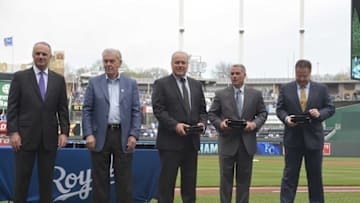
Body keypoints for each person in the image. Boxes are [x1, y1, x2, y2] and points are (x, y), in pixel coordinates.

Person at [7, 41, 70, 203]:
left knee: (47, 183)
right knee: (21, 182)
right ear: (33, 55)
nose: (41, 57)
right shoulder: (20, 77)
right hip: (23, 139)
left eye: (44, 54)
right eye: (38, 53)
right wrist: (13, 132)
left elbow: (63, 109)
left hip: (48, 139)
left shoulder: (58, 80)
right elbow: (12, 107)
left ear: (50, 57)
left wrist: (64, 132)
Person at [82, 48, 141, 203]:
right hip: (100, 136)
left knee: (124, 181)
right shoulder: (94, 83)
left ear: (119, 63)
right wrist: (88, 134)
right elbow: (87, 110)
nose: (108, 64)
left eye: (112, 61)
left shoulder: (131, 83)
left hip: (123, 135)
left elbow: (136, 111)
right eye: (105, 61)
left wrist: (134, 135)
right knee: (100, 182)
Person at [152, 51, 208, 203]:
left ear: (187, 65)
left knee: (189, 186)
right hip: (170, 143)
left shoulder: (196, 85)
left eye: (183, 62)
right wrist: (175, 125)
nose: (180, 65)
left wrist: (203, 124)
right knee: (166, 185)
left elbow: (203, 111)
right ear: (171, 64)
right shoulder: (161, 83)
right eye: (177, 62)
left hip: (191, 142)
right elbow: (158, 110)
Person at [276, 59, 335, 203]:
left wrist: (319, 113)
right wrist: (286, 119)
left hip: (313, 140)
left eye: (305, 76)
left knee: (315, 177)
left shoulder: (321, 89)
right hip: (292, 139)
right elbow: (280, 109)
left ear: (310, 73)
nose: (301, 79)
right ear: (295, 72)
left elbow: (330, 108)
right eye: (299, 76)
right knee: (290, 176)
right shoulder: (286, 88)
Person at [208, 64, 267, 203]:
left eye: (237, 73)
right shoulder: (221, 94)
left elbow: (263, 113)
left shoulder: (255, 94)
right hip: (227, 142)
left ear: (244, 75)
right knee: (225, 182)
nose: (234, 76)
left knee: (244, 182)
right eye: (232, 73)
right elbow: (212, 114)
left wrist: (254, 124)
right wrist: (220, 124)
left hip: (247, 143)